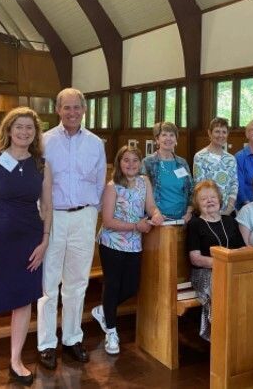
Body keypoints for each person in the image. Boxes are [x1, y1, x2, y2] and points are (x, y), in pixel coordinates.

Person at [0, 107, 52, 388]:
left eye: (29, 127)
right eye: (19, 126)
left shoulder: (41, 164)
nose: (24, 132)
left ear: (36, 133)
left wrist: (44, 241)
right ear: (8, 129)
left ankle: (16, 360)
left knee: (22, 302)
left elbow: (48, 206)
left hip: (29, 243)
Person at [37, 88, 106, 370]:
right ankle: (46, 343)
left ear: (84, 110)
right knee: (48, 283)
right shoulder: (44, 141)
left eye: (77, 107)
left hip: (84, 216)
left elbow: (101, 180)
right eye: (67, 107)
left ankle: (72, 338)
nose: (72, 112)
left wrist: (92, 214)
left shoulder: (95, 143)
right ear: (57, 110)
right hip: (54, 217)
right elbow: (37, 181)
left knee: (77, 281)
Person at [92, 145, 164, 355]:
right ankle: (111, 333)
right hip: (112, 243)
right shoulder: (112, 187)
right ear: (119, 163)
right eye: (126, 160)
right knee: (113, 285)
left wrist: (156, 213)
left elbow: (150, 206)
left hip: (134, 244)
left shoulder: (144, 182)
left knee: (132, 286)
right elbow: (107, 221)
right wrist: (135, 226)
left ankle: (104, 310)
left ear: (140, 162)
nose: (131, 164)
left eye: (135, 160)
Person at [187, 180, 244, 341]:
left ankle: (242, 330)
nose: (209, 201)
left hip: (231, 269)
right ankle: (221, 336)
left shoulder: (230, 221)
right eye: (204, 199)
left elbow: (243, 248)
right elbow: (195, 258)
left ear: (219, 199)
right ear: (198, 204)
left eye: (213, 197)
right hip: (205, 273)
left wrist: (232, 262)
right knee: (220, 282)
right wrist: (223, 262)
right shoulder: (195, 224)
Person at [142, 122, 193, 222]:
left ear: (176, 139)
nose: (168, 138)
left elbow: (191, 190)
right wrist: (154, 214)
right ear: (157, 139)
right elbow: (141, 193)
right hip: (158, 220)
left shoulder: (182, 163)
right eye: (164, 135)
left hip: (183, 219)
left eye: (172, 135)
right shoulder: (148, 163)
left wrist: (189, 212)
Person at [193, 117, 238, 215]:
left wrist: (229, 209)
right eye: (217, 131)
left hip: (228, 211)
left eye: (224, 132)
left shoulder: (231, 159)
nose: (221, 135)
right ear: (209, 133)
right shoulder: (200, 156)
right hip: (207, 211)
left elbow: (234, 185)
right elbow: (199, 186)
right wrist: (210, 211)